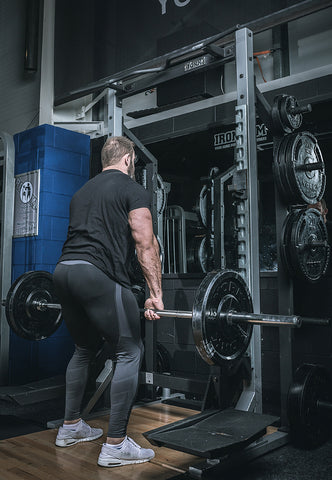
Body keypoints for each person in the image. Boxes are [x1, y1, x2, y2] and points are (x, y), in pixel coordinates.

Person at [52, 136, 164, 467]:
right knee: (129, 351)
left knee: (84, 348)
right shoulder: (132, 190)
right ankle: (115, 444)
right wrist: (155, 295)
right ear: (128, 159)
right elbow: (145, 243)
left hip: (63, 272)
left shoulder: (80, 193)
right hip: (95, 275)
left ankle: (70, 426)